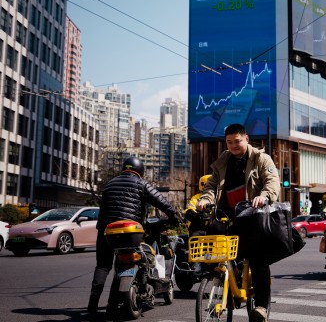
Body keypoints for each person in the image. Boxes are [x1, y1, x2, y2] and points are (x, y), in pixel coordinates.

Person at [196, 123, 279, 322]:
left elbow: (272, 181)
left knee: (258, 259)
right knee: (212, 239)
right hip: (226, 215)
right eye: (229, 142)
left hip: (253, 215)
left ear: (246, 139)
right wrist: (205, 199)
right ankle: (219, 278)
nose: (233, 145)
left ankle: (260, 306)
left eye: (237, 141)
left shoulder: (261, 159)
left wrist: (264, 196)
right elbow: (211, 186)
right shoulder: (222, 162)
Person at [87, 157, 180, 315]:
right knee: (131, 262)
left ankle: (92, 304)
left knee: (103, 266)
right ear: (140, 171)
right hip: (129, 231)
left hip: (106, 231)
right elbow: (161, 200)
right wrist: (174, 217)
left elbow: (103, 211)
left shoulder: (110, 184)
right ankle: (113, 302)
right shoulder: (140, 183)